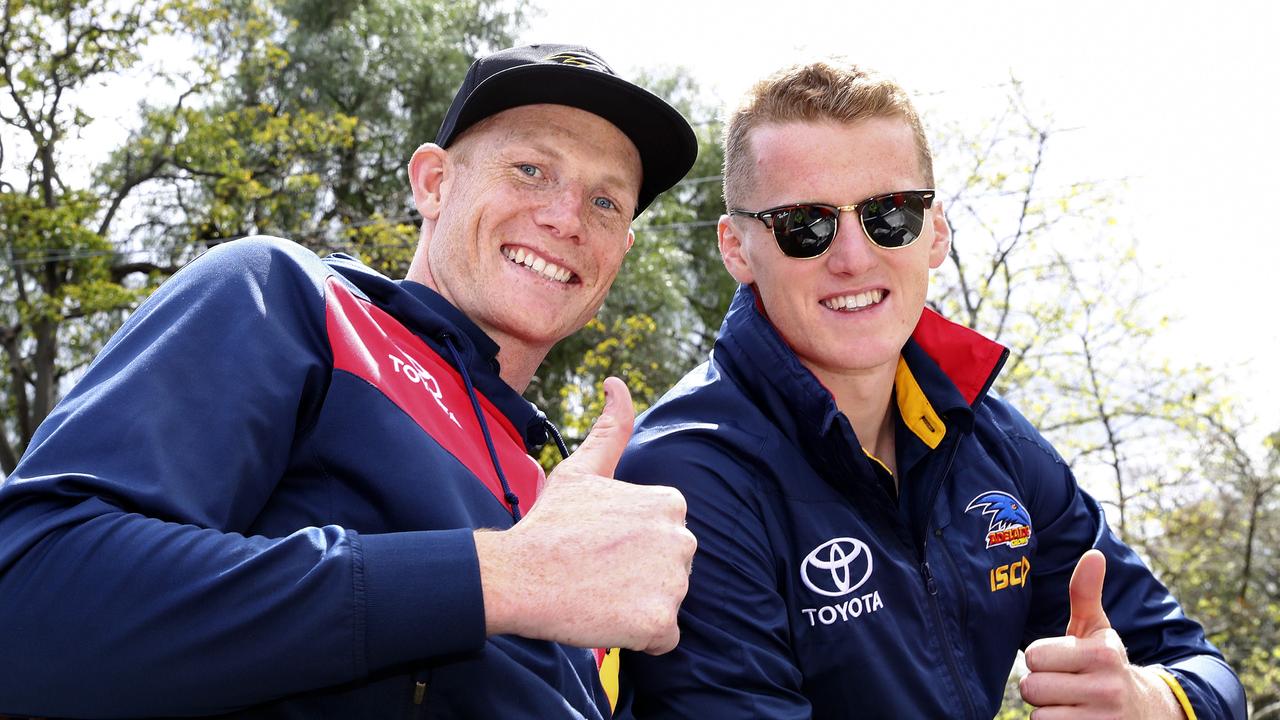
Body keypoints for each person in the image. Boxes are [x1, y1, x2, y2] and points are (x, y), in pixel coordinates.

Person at [0, 43, 698, 719]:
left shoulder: (551, 495)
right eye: (530, 170)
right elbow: (27, 601)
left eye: (607, 203)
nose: (567, 218)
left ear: (620, 255)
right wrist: (500, 578)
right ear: (433, 182)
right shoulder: (288, 297)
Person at [615, 60, 1246, 719]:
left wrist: (1151, 702)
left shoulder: (990, 440)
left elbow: (1199, 667)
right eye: (806, 223)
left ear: (935, 231)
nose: (853, 257)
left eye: (891, 214)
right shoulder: (685, 476)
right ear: (737, 248)